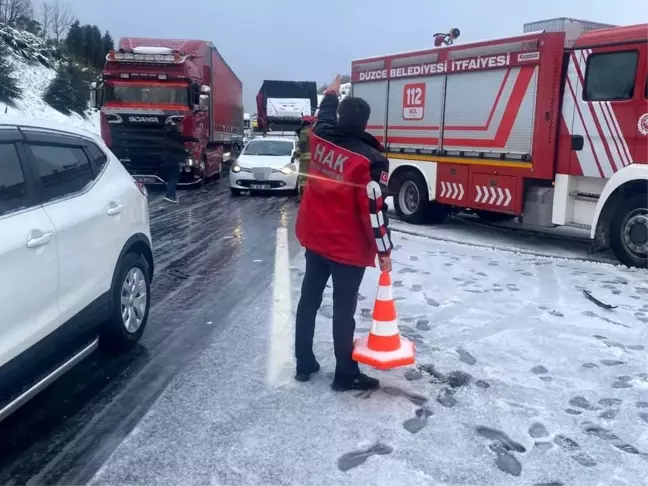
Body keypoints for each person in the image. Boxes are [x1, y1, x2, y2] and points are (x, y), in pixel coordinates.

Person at [294, 75, 393, 392]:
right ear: (365, 124)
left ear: (339, 117)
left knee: (309, 300)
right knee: (343, 311)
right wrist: (384, 251)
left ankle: (304, 362)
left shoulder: (321, 136)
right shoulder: (372, 161)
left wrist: (333, 90)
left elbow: (323, 114)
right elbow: (374, 212)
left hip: (315, 238)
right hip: (346, 247)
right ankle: (345, 374)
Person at [162, 119, 198, 204]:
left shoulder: (167, 135)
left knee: (171, 177)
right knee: (175, 177)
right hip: (172, 159)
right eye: (179, 125)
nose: (180, 127)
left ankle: (172, 196)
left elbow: (183, 139)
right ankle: (169, 195)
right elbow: (183, 140)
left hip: (167, 158)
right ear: (175, 126)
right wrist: (188, 147)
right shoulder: (175, 135)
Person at [293, 115, 313, 201]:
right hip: (314, 160)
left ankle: (303, 198)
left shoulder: (303, 132)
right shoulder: (314, 131)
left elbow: (301, 145)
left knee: (303, 180)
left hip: (305, 159)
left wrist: (295, 155)